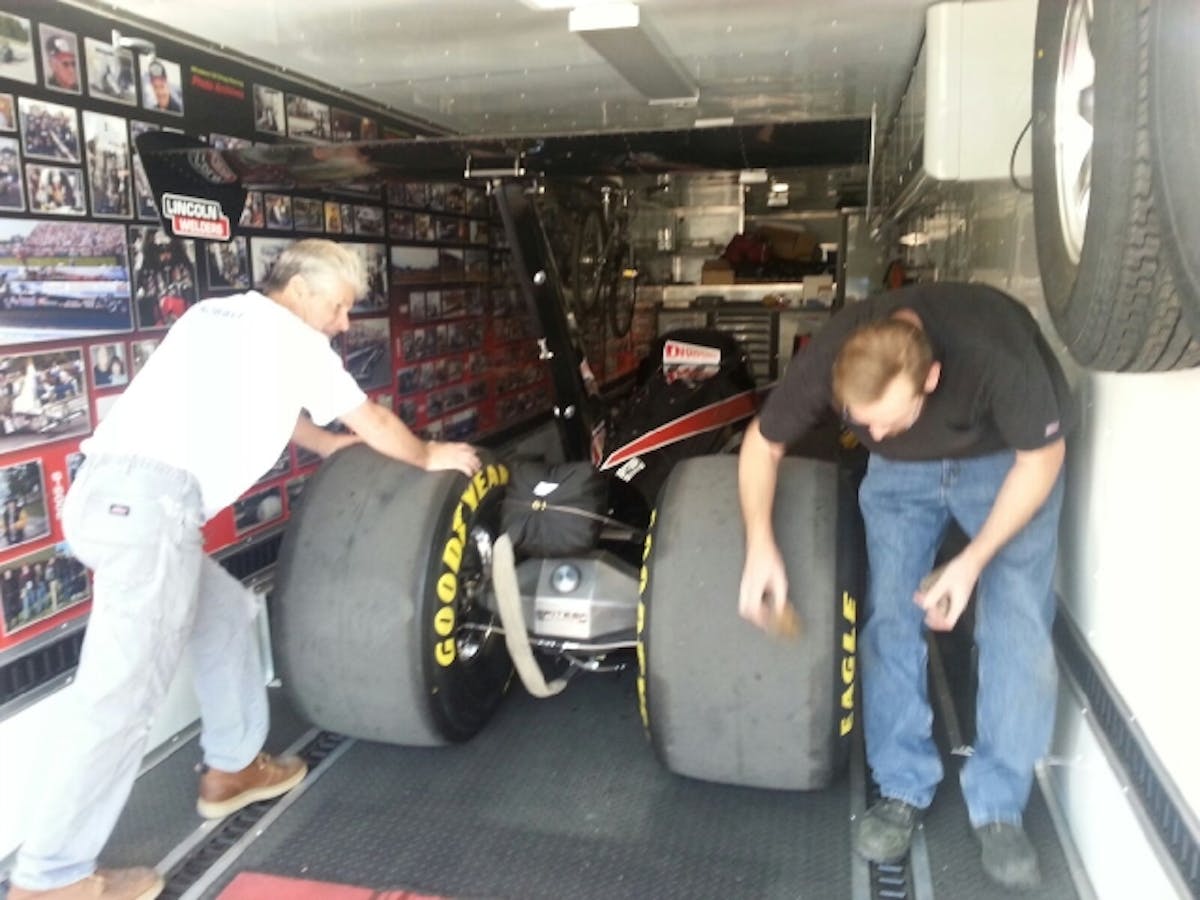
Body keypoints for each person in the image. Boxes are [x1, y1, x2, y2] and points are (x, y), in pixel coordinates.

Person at [9, 239, 482, 900]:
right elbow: (371, 416)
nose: (345, 323)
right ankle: (48, 879)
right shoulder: (294, 340)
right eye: (342, 307)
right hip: (151, 509)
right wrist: (426, 454)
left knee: (227, 613)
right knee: (119, 698)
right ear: (306, 289)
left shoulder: (218, 317)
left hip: (109, 498)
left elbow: (265, 407)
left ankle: (231, 768)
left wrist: (324, 444)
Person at [736, 282, 1071, 891]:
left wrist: (969, 562)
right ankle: (901, 786)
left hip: (1005, 460)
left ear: (933, 379)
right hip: (903, 483)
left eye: (890, 421)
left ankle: (999, 805)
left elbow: (1042, 460)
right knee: (891, 616)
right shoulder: (838, 357)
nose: (877, 436)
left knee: (1016, 620)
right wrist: (759, 542)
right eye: (864, 425)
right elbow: (763, 444)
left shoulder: (996, 356)